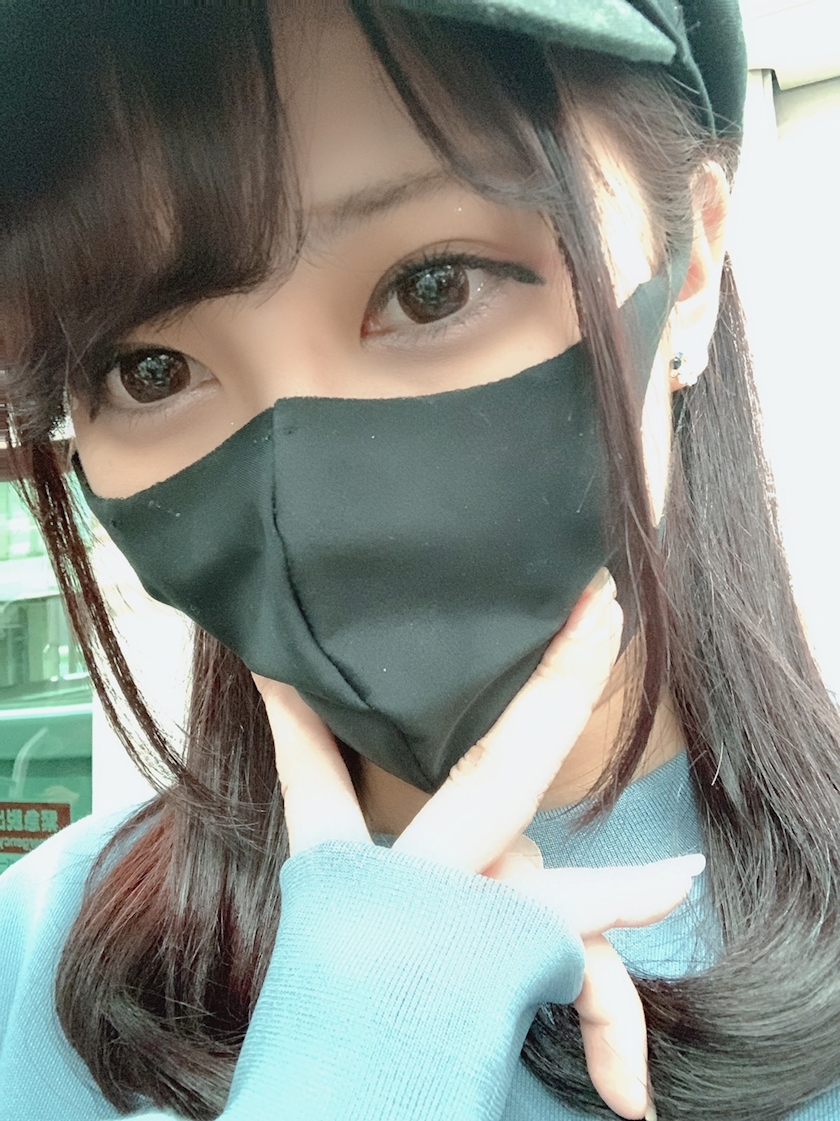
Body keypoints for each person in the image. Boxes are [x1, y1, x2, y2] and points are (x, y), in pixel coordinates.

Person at [1, 0, 839, 1118]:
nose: (312, 514)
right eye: (147, 370)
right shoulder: (33, 958)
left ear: (689, 269)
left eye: (431, 285)